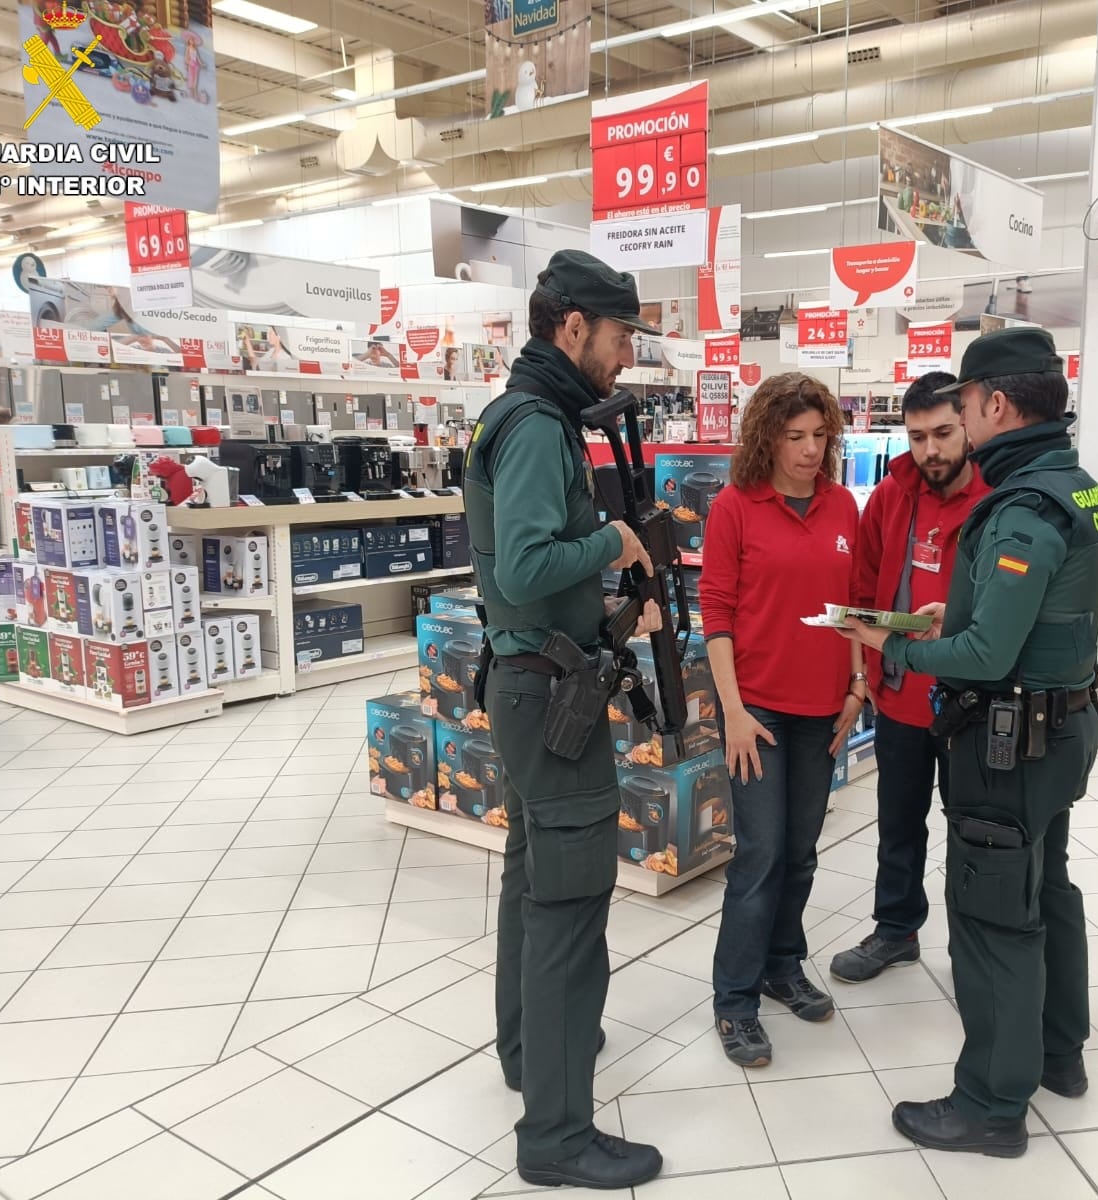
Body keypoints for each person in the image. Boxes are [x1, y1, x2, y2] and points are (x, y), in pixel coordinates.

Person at [837, 327, 1098, 1159]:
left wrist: (900, 647)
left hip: (1008, 742)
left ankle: (992, 1104)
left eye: (959, 407)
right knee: (1047, 887)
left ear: (993, 404)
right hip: (1061, 727)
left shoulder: (1022, 506)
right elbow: (1028, 622)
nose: (951, 423)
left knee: (995, 917)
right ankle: (1060, 1055)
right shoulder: (1080, 489)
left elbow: (990, 654)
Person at [462, 249, 666, 1191]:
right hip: (554, 702)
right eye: (621, 336)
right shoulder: (540, 425)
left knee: (533, 883)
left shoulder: (518, 415)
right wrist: (614, 540)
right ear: (572, 325)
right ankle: (556, 1135)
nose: (627, 355)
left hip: (529, 682)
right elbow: (529, 568)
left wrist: (615, 611)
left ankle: (527, 1054)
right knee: (571, 909)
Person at [700, 373, 863, 1068]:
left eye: (819, 436)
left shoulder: (842, 506)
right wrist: (733, 712)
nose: (808, 450)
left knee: (801, 851)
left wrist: (858, 684)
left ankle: (782, 964)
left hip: (823, 707)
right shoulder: (735, 507)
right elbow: (716, 615)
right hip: (757, 710)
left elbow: (855, 607)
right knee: (760, 854)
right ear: (765, 436)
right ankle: (734, 999)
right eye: (794, 437)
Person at [830, 370, 989, 984]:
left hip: (971, 702)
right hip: (900, 696)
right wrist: (866, 668)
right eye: (918, 436)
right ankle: (896, 930)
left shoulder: (999, 496)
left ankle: (978, 945)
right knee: (899, 821)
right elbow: (866, 580)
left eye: (944, 433)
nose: (931, 450)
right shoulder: (894, 496)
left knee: (974, 830)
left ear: (969, 425)